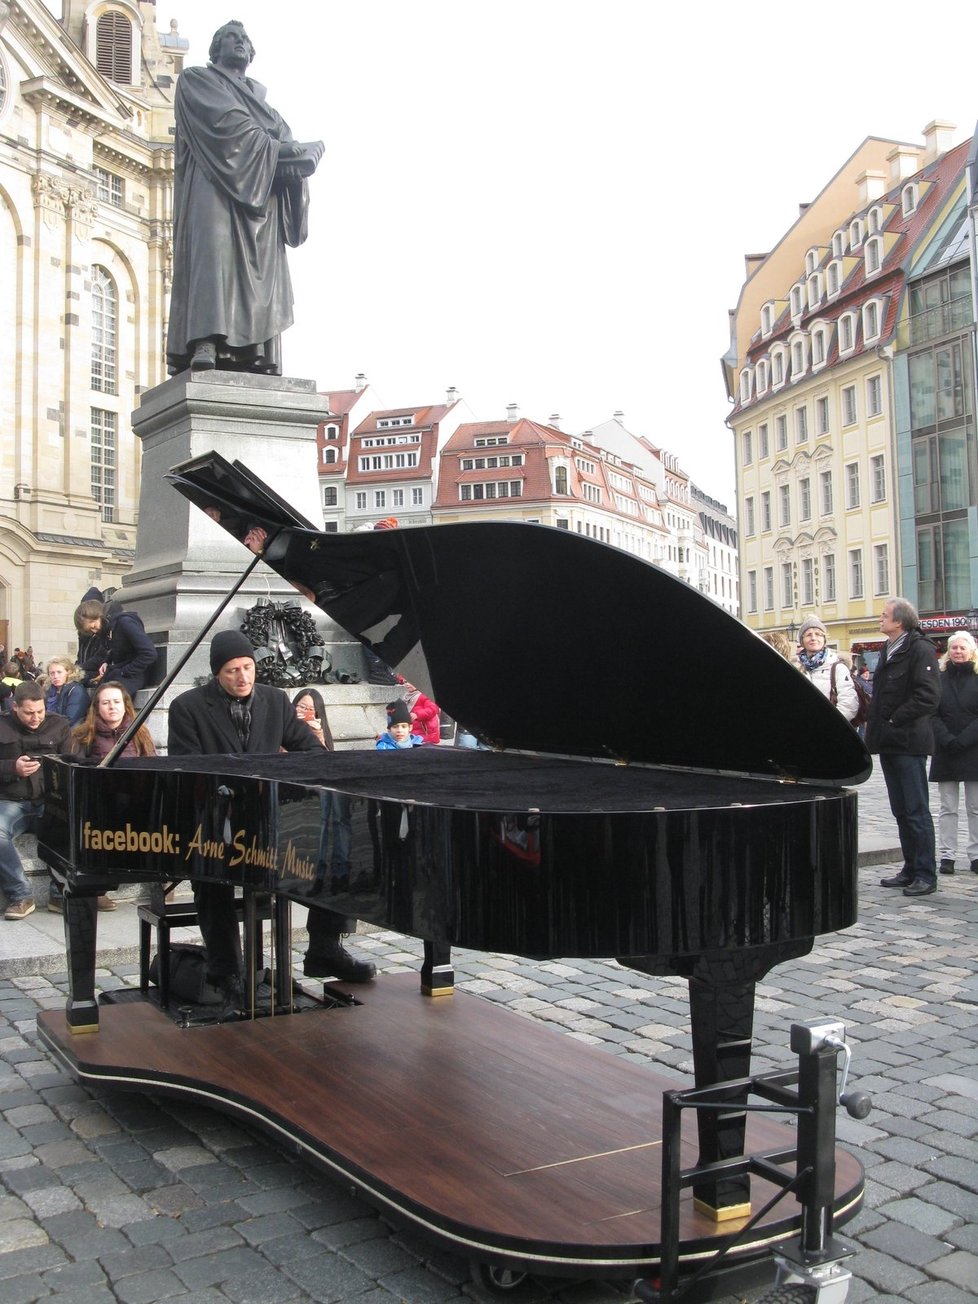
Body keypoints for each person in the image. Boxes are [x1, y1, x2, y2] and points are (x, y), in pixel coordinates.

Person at [168, 630, 375, 1009]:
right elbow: (187, 769)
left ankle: (325, 946)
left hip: (270, 823)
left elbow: (308, 748)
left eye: (248, 667)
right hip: (215, 823)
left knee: (333, 853)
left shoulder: (276, 701)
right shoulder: (188, 707)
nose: (243, 677)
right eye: (232, 671)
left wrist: (315, 775)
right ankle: (226, 971)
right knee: (209, 878)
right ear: (218, 673)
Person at [166, 21, 324, 376]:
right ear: (216, 49)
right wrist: (285, 152)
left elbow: (284, 143)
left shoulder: (265, 105)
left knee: (260, 273)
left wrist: (300, 162)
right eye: (231, 39)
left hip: (260, 207)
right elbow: (226, 128)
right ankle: (204, 340)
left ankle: (254, 351)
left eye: (244, 40)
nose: (239, 44)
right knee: (212, 254)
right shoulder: (196, 80)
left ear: (251, 54)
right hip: (213, 188)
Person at [866, 598, 941, 898]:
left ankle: (926, 872)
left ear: (899, 621)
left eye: (884, 616)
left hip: (909, 742)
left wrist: (895, 718)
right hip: (889, 742)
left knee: (916, 810)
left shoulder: (919, 648)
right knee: (900, 810)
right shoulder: (889, 648)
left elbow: (928, 696)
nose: (880, 619)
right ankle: (910, 868)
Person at [0, 681, 74, 920]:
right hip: (11, 800)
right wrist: (13, 767)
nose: (36, 717)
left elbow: (74, 762)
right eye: (29, 712)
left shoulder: (59, 725)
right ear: (15, 708)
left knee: (72, 823)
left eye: (40, 711)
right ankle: (20, 895)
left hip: (49, 801)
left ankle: (59, 892)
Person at [928, 631, 978, 877]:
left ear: (972, 651)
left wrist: (965, 739)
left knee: (976, 807)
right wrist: (947, 738)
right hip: (945, 749)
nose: (958, 651)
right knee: (947, 807)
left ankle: (976, 854)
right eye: (954, 648)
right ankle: (947, 855)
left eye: (963, 648)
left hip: (974, 748)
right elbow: (932, 713)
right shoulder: (940, 678)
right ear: (949, 651)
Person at [294, 688, 353, 891]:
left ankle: (337, 871)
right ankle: (315, 872)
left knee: (338, 815)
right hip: (294, 790)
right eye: (301, 707)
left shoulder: (319, 731)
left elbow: (328, 762)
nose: (305, 712)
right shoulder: (284, 728)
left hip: (320, 787)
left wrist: (316, 733)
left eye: (311, 709)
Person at [73, 591, 157, 699]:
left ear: (98, 615)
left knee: (108, 698)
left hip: (135, 673)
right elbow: (117, 648)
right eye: (90, 630)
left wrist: (125, 671)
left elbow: (149, 653)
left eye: (93, 625)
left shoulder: (124, 622)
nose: (94, 630)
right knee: (97, 701)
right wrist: (106, 662)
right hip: (120, 670)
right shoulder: (107, 628)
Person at [795, 615, 859, 722]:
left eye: (818, 634)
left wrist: (830, 724)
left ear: (824, 639)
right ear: (802, 640)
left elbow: (848, 704)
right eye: (808, 635)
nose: (813, 638)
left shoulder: (837, 667)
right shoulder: (795, 666)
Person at [43, 656, 90, 727]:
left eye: (59, 672)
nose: (55, 676)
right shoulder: (49, 691)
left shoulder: (76, 690)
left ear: (69, 672)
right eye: (52, 673)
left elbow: (70, 720)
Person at [394, 676, 442, 745]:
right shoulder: (406, 696)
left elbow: (433, 709)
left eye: (410, 682)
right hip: (413, 731)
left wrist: (417, 714)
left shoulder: (425, 695)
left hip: (426, 733)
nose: (407, 684)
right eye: (405, 682)